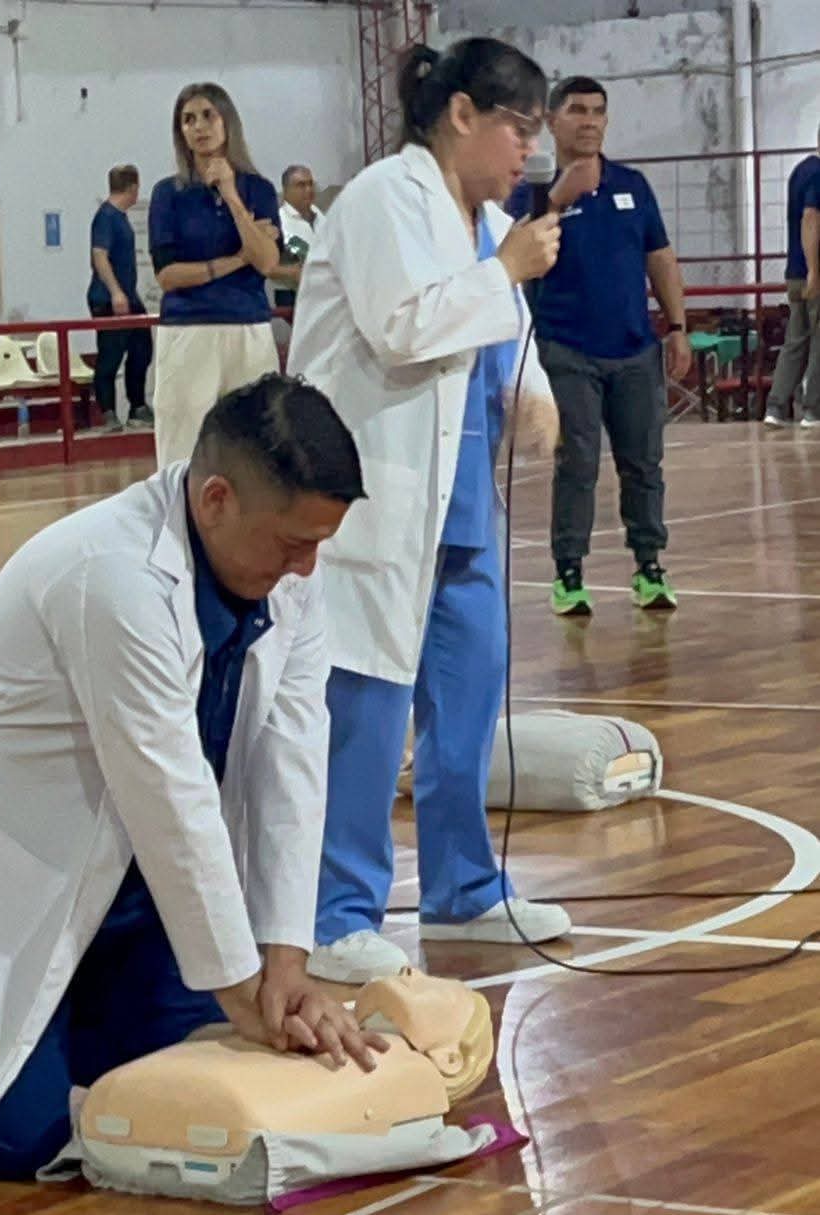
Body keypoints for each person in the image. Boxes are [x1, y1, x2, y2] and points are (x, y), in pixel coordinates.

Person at [0, 374, 386, 1182]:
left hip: (141, 898)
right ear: (216, 500)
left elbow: (293, 765)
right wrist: (246, 995)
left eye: (319, 544)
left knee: (177, 1084)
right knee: (13, 1140)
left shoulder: (288, 580)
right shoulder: (110, 574)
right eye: (292, 543)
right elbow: (170, 795)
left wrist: (285, 962)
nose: (308, 567)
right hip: (12, 877)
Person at [288, 37, 573, 986]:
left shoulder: (488, 225)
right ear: (461, 115)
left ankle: (464, 886)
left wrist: (534, 392)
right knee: (366, 709)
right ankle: (336, 913)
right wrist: (507, 272)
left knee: (468, 694)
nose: (529, 151)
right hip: (379, 493)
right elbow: (404, 325)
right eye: (520, 128)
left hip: (463, 503)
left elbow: (506, 332)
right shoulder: (384, 198)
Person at [507, 76, 691, 617]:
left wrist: (677, 325)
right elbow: (511, 254)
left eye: (598, 111)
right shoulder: (531, 192)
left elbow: (660, 257)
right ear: (552, 121)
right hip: (566, 350)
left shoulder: (632, 185)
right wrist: (557, 200)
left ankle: (649, 567)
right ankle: (569, 573)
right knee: (578, 464)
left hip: (635, 350)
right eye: (578, 110)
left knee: (644, 463)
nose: (589, 121)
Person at [148, 83, 281, 468]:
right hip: (189, 330)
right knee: (182, 450)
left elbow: (267, 262)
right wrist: (238, 259)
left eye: (208, 115)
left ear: (227, 122)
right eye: (188, 120)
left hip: (249, 329)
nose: (199, 127)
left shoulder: (258, 189)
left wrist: (232, 194)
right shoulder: (168, 194)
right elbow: (168, 276)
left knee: (256, 450)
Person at [86, 163, 154, 432]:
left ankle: (138, 407)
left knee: (142, 349)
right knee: (110, 355)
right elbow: (99, 255)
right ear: (134, 187)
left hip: (129, 298)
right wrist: (115, 292)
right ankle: (108, 413)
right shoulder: (105, 217)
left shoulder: (121, 217)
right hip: (108, 299)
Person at [764, 128, 820, 428]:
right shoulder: (819, 174)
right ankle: (814, 409)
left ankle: (776, 406)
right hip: (813, 273)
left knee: (795, 341)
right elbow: (810, 217)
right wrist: (815, 270)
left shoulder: (800, 171)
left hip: (795, 271)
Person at [273, 164, 325, 308]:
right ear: (286, 191)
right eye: (301, 185)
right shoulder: (279, 221)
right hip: (293, 293)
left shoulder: (319, 215)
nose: (308, 190)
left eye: (310, 184)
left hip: (323, 289)